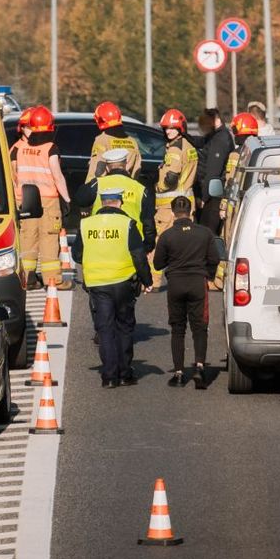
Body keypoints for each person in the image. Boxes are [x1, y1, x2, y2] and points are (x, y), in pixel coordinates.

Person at [71, 188, 153, 388]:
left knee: (105, 330)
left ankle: (109, 376)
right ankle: (125, 374)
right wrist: (147, 280)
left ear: (101, 203)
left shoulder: (86, 224)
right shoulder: (127, 224)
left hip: (98, 285)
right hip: (124, 283)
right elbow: (138, 255)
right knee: (124, 327)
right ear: (119, 202)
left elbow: (77, 255)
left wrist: (94, 262)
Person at [153, 196, 221, 389]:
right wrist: (207, 275)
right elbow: (214, 258)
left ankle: (179, 373)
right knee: (200, 327)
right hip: (197, 283)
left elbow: (158, 263)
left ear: (173, 212)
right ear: (191, 211)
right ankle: (199, 366)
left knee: (178, 329)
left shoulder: (167, 236)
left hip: (176, 284)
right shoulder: (205, 233)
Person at [13, 107, 72, 290]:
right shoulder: (50, 148)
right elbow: (57, 176)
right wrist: (67, 200)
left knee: (28, 238)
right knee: (49, 239)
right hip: (48, 200)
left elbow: (14, 175)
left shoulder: (19, 149)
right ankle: (53, 280)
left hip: (26, 200)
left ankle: (28, 277)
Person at [77, 148, 156, 252]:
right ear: (126, 164)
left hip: (102, 240)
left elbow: (80, 198)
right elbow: (148, 222)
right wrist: (147, 246)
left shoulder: (98, 184)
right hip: (131, 243)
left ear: (107, 168)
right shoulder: (140, 189)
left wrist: (97, 175)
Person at [153, 109, 199, 288]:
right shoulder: (189, 146)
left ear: (180, 128)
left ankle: (154, 281)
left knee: (160, 243)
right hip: (187, 203)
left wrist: (159, 187)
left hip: (170, 207)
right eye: (166, 128)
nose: (168, 132)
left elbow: (171, 176)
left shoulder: (175, 148)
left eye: (172, 128)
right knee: (185, 245)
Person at [185, 108, 233, 235]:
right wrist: (185, 135)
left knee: (207, 234)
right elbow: (201, 142)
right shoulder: (214, 135)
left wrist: (204, 197)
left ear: (216, 120)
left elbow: (213, 172)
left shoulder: (220, 139)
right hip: (210, 193)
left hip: (212, 198)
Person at [86, 101, 142, 182]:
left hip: (107, 189)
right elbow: (137, 169)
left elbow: (97, 170)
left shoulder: (102, 140)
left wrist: (88, 188)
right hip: (128, 187)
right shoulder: (132, 142)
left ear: (100, 120)